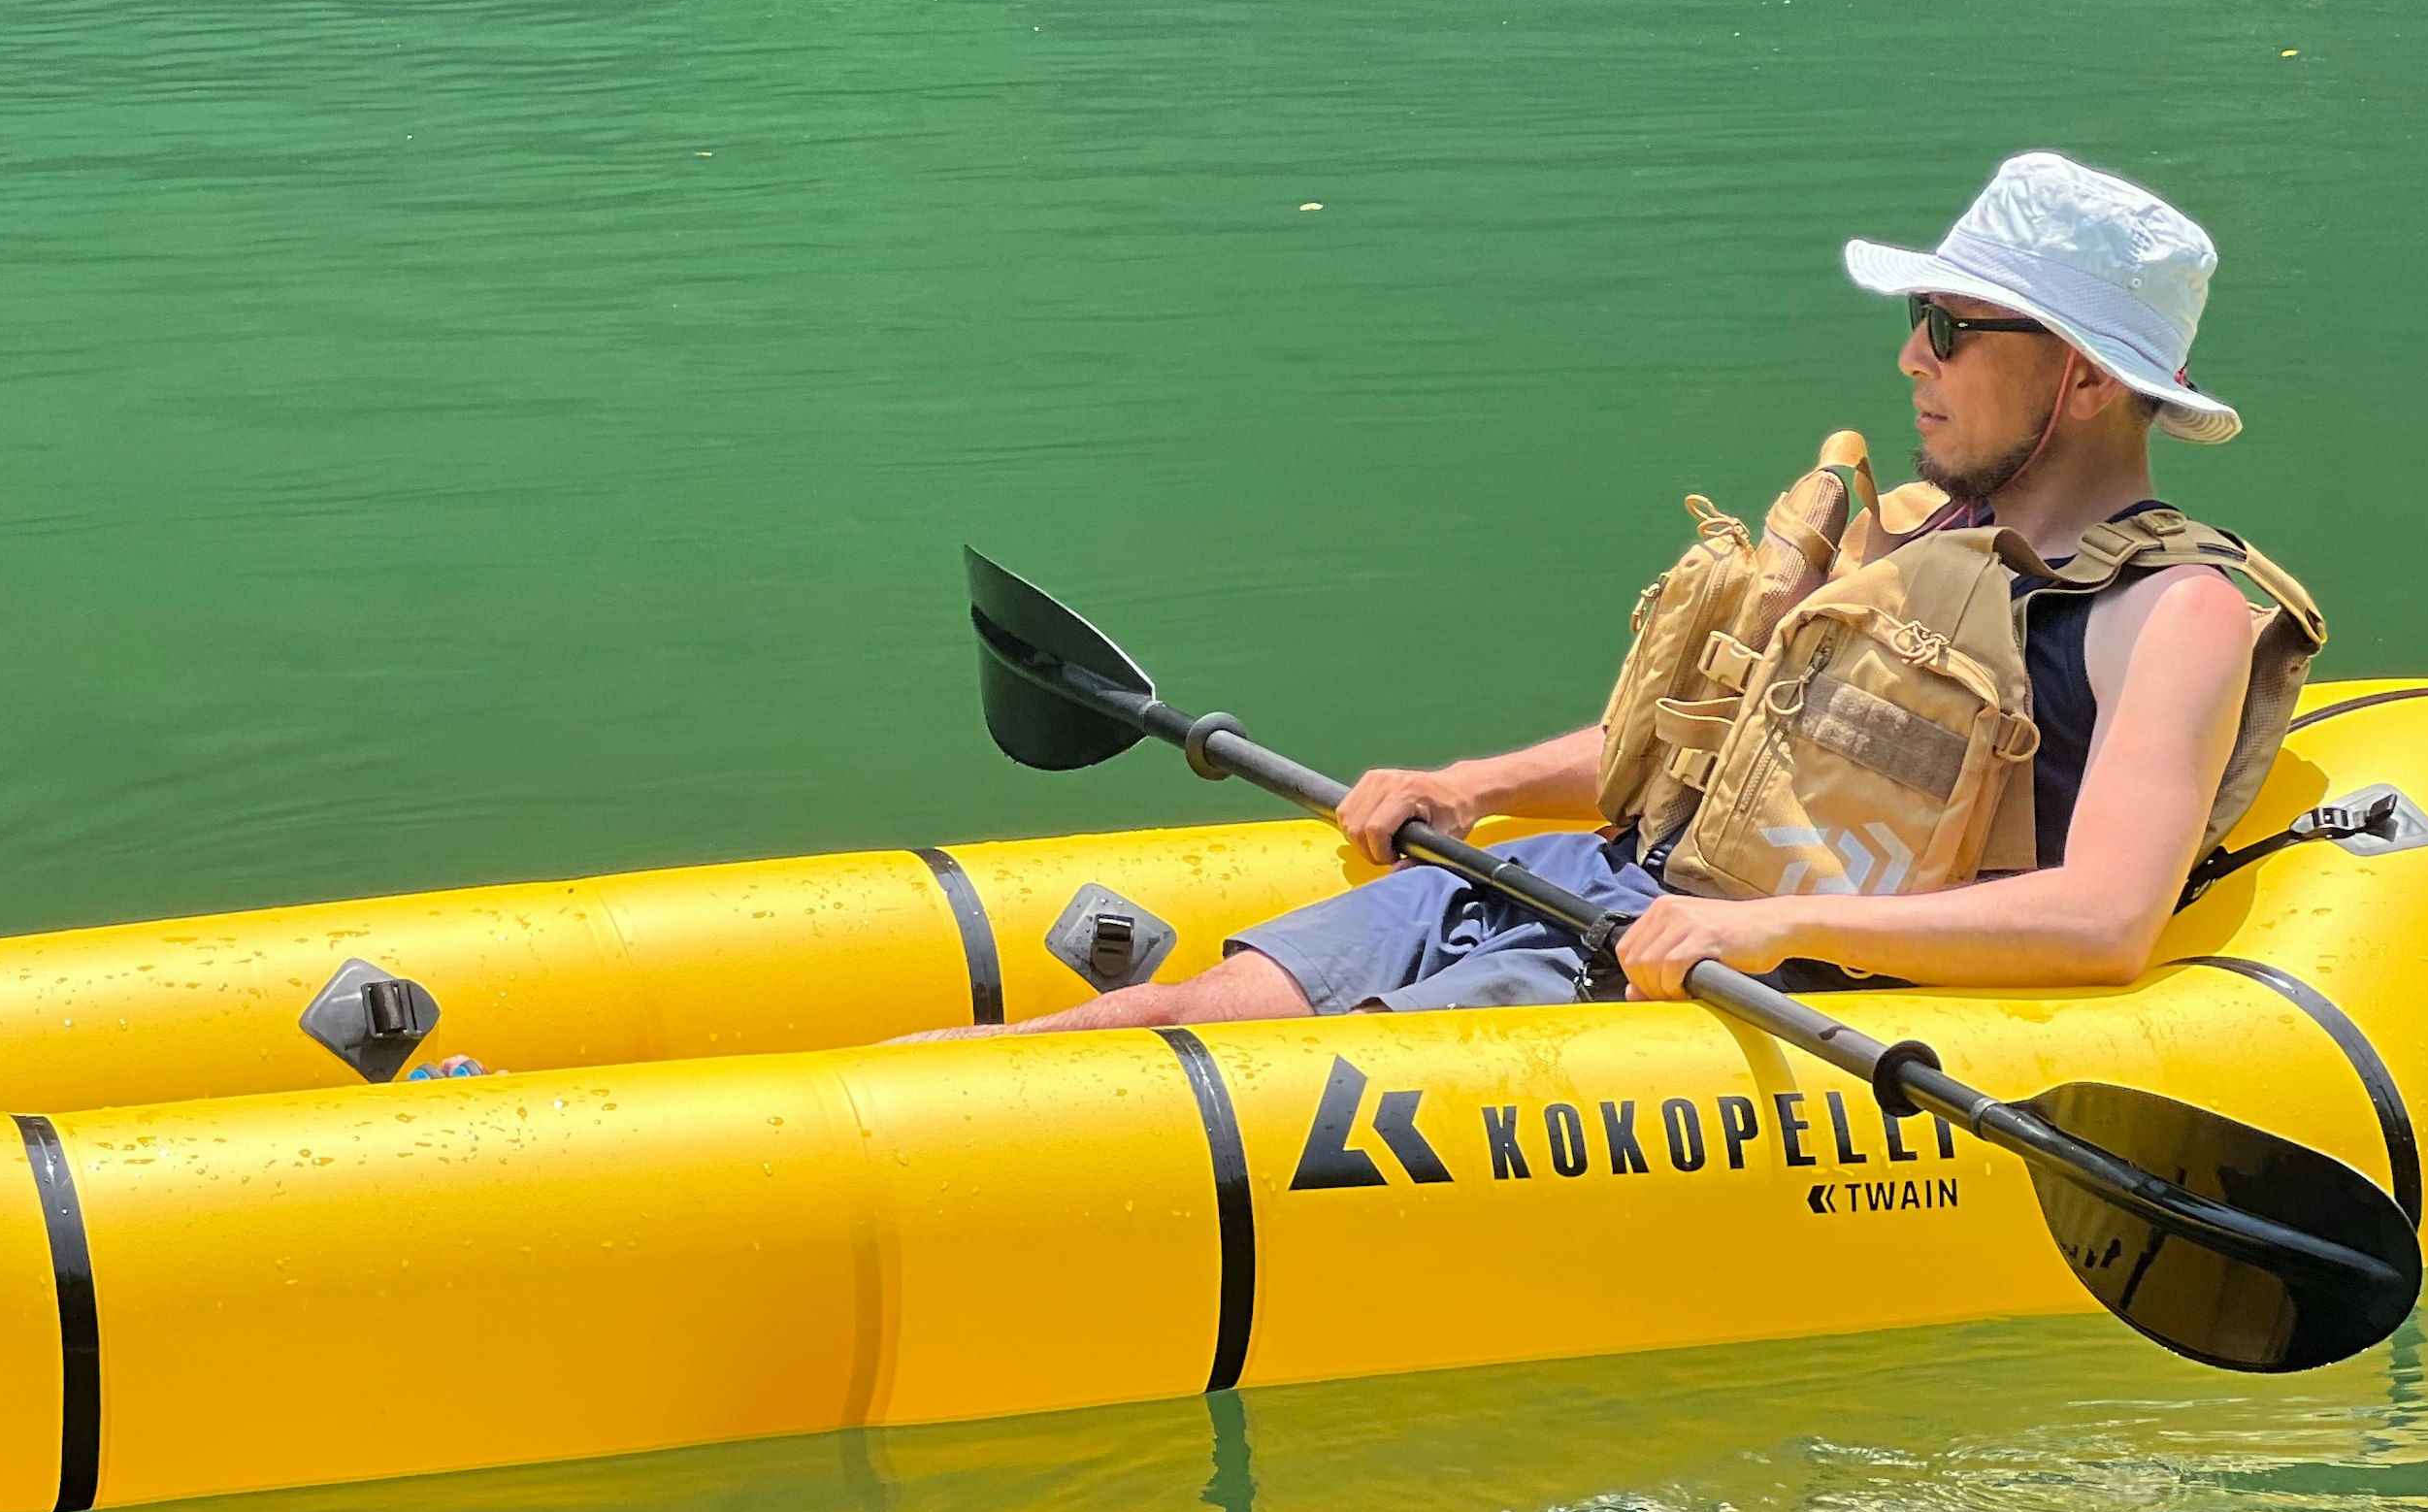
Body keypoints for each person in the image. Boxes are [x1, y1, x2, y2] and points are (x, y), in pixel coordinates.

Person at [941, 150, 2324, 1032]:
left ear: (2083, 376)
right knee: (1165, 1014)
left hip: (1730, 984)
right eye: (1921, 322)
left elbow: (2104, 921)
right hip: (1588, 883)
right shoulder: (1920, 539)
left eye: (1952, 329)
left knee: (1236, 1062)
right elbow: (1729, 754)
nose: (1913, 358)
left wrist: (1776, 922)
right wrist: (1472, 782)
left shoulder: (2177, 612)